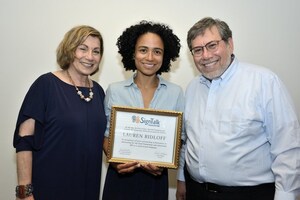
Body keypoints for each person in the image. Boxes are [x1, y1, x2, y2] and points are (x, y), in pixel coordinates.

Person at [176, 17, 300, 200]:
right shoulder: (193, 88)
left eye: (212, 45)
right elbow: (188, 140)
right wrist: (181, 179)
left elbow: (287, 147)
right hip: (197, 192)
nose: (206, 56)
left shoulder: (264, 82)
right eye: (197, 50)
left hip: (249, 194)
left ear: (230, 44)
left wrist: (286, 196)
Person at [13, 25, 106, 200]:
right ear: (70, 50)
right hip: (49, 187)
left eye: (96, 51)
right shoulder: (46, 85)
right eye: (83, 49)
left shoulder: (99, 92)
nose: (90, 57)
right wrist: (25, 193)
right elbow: (24, 140)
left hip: (88, 188)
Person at [102, 20, 183, 200]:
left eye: (157, 52)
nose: (150, 57)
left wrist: (165, 164)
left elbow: (180, 140)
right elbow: (106, 135)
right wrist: (116, 162)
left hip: (156, 181)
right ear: (132, 53)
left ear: (165, 56)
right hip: (119, 179)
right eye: (143, 50)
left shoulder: (175, 93)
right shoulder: (114, 90)